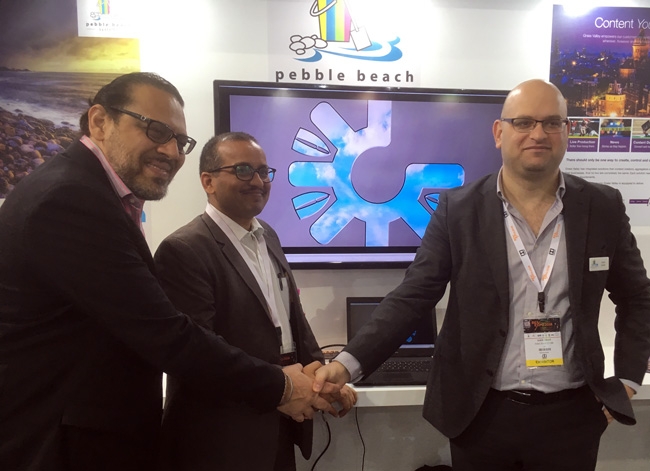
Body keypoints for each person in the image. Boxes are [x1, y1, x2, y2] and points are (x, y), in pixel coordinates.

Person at [0, 73, 338, 471]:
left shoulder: (90, 193)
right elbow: (166, 334)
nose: (172, 151)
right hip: (63, 445)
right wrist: (282, 386)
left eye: (180, 141)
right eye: (156, 131)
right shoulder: (71, 199)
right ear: (100, 122)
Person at [313, 79, 650, 471]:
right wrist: (347, 364)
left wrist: (627, 380)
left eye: (551, 123)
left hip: (572, 415)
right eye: (523, 122)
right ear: (499, 132)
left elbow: (636, 297)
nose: (538, 134)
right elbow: (414, 295)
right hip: (482, 415)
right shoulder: (458, 209)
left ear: (567, 131)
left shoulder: (602, 206)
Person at [153, 132, 356, 471]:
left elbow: (291, 319)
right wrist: (283, 388)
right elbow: (198, 356)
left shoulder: (267, 235)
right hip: (222, 435)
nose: (259, 181)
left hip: (281, 424)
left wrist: (322, 377)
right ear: (208, 181)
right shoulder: (184, 250)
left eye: (264, 171)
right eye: (243, 170)